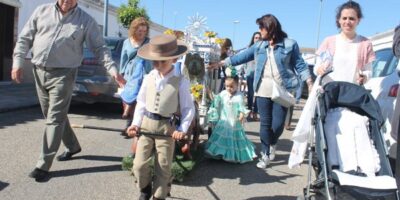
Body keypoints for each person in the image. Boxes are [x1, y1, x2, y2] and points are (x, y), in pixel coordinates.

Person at [11, 0, 125, 182]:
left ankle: (43, 164)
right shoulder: (42, 11)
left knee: (54, 118)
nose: (66, 1)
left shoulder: (85, 21)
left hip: (64, 74)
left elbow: (99, 48)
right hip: (38, 71)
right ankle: (72, 146)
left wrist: (113, 71)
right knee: (52, 114)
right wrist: (17, 62)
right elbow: (25, 38)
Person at [211, 14, 312, 169]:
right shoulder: (259, 46)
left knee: (278, 125)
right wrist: (221, 63)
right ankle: (265, 154)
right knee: (265, 124)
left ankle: (272, 142)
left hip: (282, 90)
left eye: (261, 27)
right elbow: (241, 57)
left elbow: (300, 64)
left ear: (270, 27)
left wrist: (309, 81)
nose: (259, 31)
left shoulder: (289, 44)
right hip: (262, 89)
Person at [289, 1, 376, 169]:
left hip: (351, 96)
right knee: (327, 127)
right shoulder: (330, 41)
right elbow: (317, 67)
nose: (347, 22)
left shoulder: (365, 44)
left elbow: (369, 71)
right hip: (328, 93)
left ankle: (352, 166)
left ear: (358, 20)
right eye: (344, 18)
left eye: (352, 18)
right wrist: (319, 68)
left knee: (354, 127)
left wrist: (364, 77)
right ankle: (329, 164)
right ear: (339, 20)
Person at [126, 35, 195, 200]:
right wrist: (135, 124)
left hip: (166, 128)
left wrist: (181, 129)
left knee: (163, 166)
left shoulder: (181, 82)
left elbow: (188, 109)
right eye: (154, 62)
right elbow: (141, 103)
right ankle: (144, 189)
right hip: (146, 127)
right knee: (139, 165)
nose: (157, 65)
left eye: (162, 62)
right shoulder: (149, 77)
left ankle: (159, 195)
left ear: (174, 59)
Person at [205, 70, 256, 163]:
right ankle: (219, 153)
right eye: (227, 86)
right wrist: (210, 93)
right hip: (224, 120)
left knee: (234, 139)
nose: (229, 88)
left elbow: (242, 107)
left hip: (234, 121)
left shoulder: (239, 96)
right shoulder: (223, 93)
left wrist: (241, 115)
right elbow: (216, 100)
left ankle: (231, 155)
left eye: (232, 86)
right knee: (221, 138)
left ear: (237, 85)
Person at [244, 32, 261, 121]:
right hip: (250, 74)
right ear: (253, 39)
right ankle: (249, 111)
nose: (257, 39)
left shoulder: (263, 49)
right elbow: (244, 60)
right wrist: (245, 71)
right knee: (250, 94)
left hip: (259, 76)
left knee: (258, 94)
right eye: (255, 37)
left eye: (258, 37)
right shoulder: (249, 48)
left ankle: (255, 113)